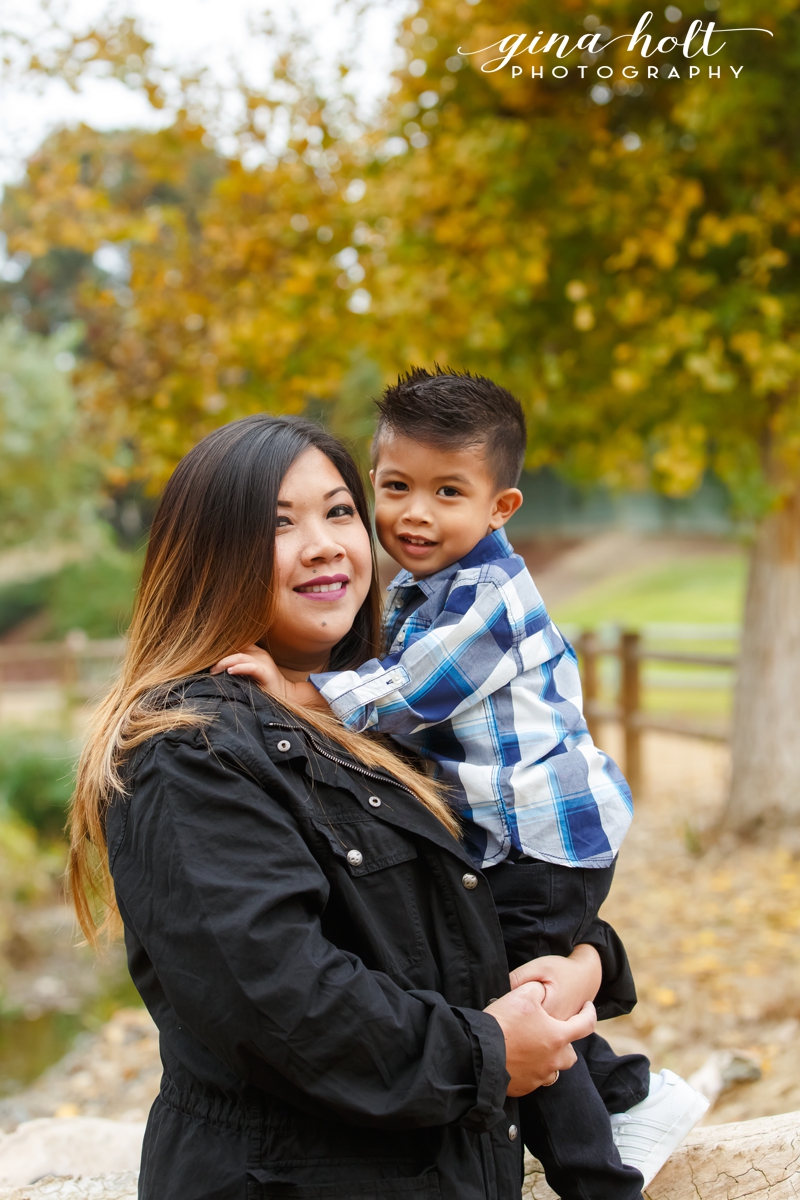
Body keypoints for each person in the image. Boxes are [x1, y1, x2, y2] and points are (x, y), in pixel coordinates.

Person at [68, 413, 603, 1200]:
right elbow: (278, 1002)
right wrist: (489, 1052)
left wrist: (589, 963)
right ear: (209, 557)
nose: (323, 543)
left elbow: (492, 897)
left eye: (339, 511)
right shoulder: (188, 747)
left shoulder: (388, 724)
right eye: (278, 524)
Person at [216, 370, 708, 1199]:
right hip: (521, 837)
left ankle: (596, 1177)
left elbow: (412, 690)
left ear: (500, 509)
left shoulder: (488, 598)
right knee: (524, 977)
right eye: (397, 486)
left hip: (541, 839)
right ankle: (628, 1092)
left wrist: (299, 689)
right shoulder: (422, 587)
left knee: (508, 1001)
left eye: (448, 492)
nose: (414, 513)